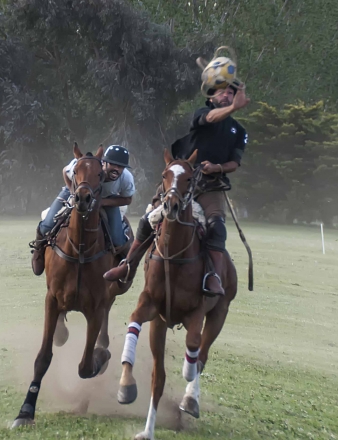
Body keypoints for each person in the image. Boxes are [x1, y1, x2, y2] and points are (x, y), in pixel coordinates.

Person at [104, 63, 250, 297]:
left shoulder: (239, 131)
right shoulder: (202, 114)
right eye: (222, 91)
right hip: (180, 182)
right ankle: (127, 265)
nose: (227, 95)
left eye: (231, 92)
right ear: (211, 97)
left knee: (217, 227)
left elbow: (235, 163)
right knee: (149, 218)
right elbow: (212, 118)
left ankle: (212, 277)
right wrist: (233, 107)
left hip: (211, 186)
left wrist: (217, 167)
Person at [29, 145, 135, 276]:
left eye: (121, 166)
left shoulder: (126, 178)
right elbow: (64, 171)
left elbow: (127, 199)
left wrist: (102, 203)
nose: (117, 169)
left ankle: (125, 265)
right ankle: (38, 251)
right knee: (47, 225)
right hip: (75, 192)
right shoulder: (84, 165)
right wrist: (73, 193)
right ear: (104, 162)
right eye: (113, 164)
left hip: (107, 199)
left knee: (118, 239)